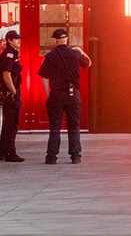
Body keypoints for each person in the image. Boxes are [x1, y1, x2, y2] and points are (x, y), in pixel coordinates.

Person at [38, 28, 91, 164]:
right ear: (66, 39)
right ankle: (76, 156)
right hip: (73, 95)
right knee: (74, 126)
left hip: (56, 94)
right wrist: (81, 51)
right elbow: (88, 63)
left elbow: (44, 78)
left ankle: (51, 157)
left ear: (55, 40)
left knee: (55, 126)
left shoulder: (50, 56)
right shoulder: (75, 54)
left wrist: (49, 94)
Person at [0, 30, 24, 163]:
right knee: (11, 125)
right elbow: (7, 75)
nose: (19, 41)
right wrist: (14, 93)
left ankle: (3, 153)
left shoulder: (12, 53)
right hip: (10, 95)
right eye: (16, 39)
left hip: (10, 93)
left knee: (8, 124)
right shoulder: (9, 54)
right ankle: (10, 153)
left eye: (19, 39)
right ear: (9, 40)